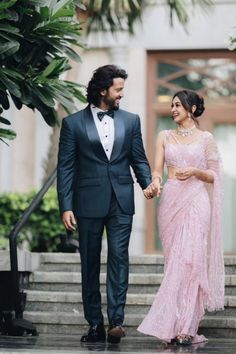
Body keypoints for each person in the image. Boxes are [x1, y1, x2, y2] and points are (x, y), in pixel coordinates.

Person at [57, 64, 152, 344]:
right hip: (87, 202)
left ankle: (116, 322)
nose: (122, 94)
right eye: (118, 89)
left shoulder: (131, 120)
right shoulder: (73, 124)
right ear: (102, 90)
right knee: (89, 263)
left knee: (119, 259)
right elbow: (66, 168)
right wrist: (66, 205)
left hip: (122, 200)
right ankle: (95, 324)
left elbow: (139, 158)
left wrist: (147, 184)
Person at [138, 90, 225, 345]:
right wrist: (155, 182)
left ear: (193, 109)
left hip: (197, 200)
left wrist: (197, 171)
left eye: (178, 105)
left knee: (191, 261)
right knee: (174, 262)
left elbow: (214, 175)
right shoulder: (164, 136)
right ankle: (173, 323)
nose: (173, 109)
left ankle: (187, 326)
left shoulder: (206, 139)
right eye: (172, 105)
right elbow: (157, 169)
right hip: (172, 200)